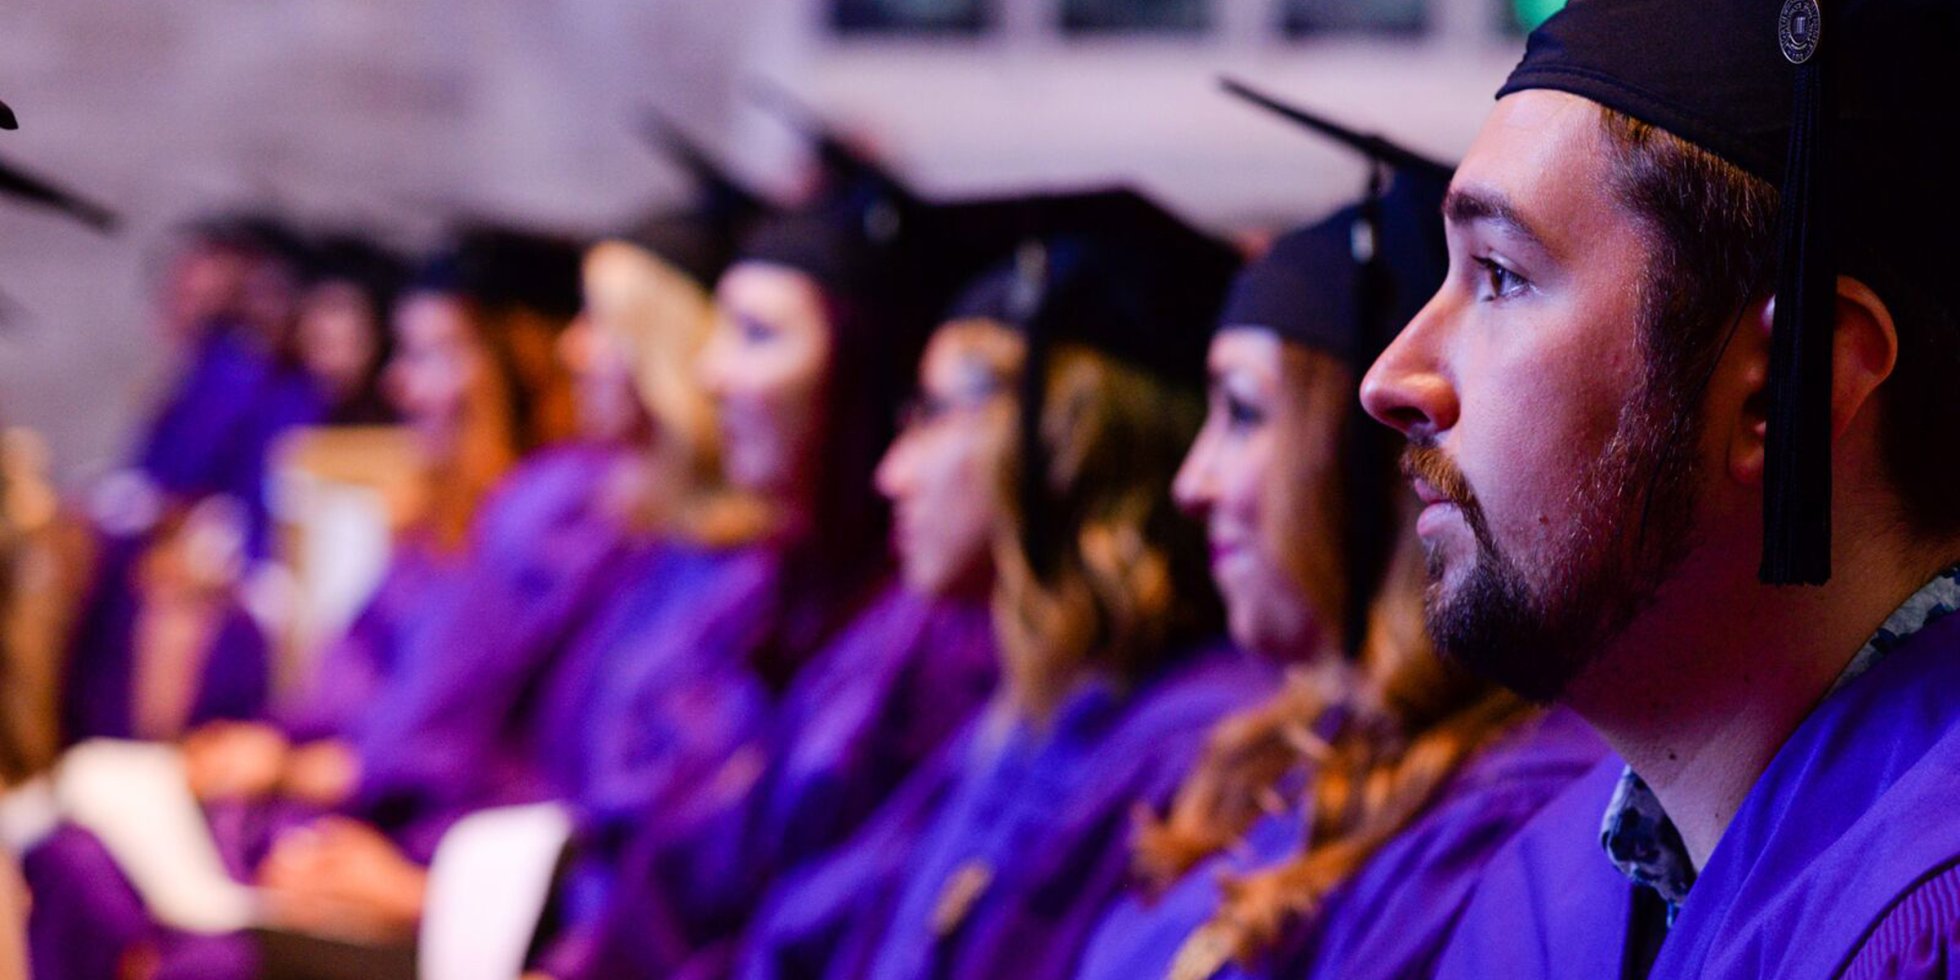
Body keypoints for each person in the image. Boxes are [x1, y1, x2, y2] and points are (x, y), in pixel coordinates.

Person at [1352, 0, 1960, 976]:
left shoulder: (1928, 910)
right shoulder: (1546, 887)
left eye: (1499, 275)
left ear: (1780, 384)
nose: (1388, 377)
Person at [1071, 143, 1602, 978]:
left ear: (1367, 460)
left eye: (1244, 414)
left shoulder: (1508, 809)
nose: (1191, 481)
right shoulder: (1285, 750)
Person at [737, 187, 1272, 980]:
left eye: (934, 414)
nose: (894, 471)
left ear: (1065, 449)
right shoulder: (1034, 706)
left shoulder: (1189, 744)